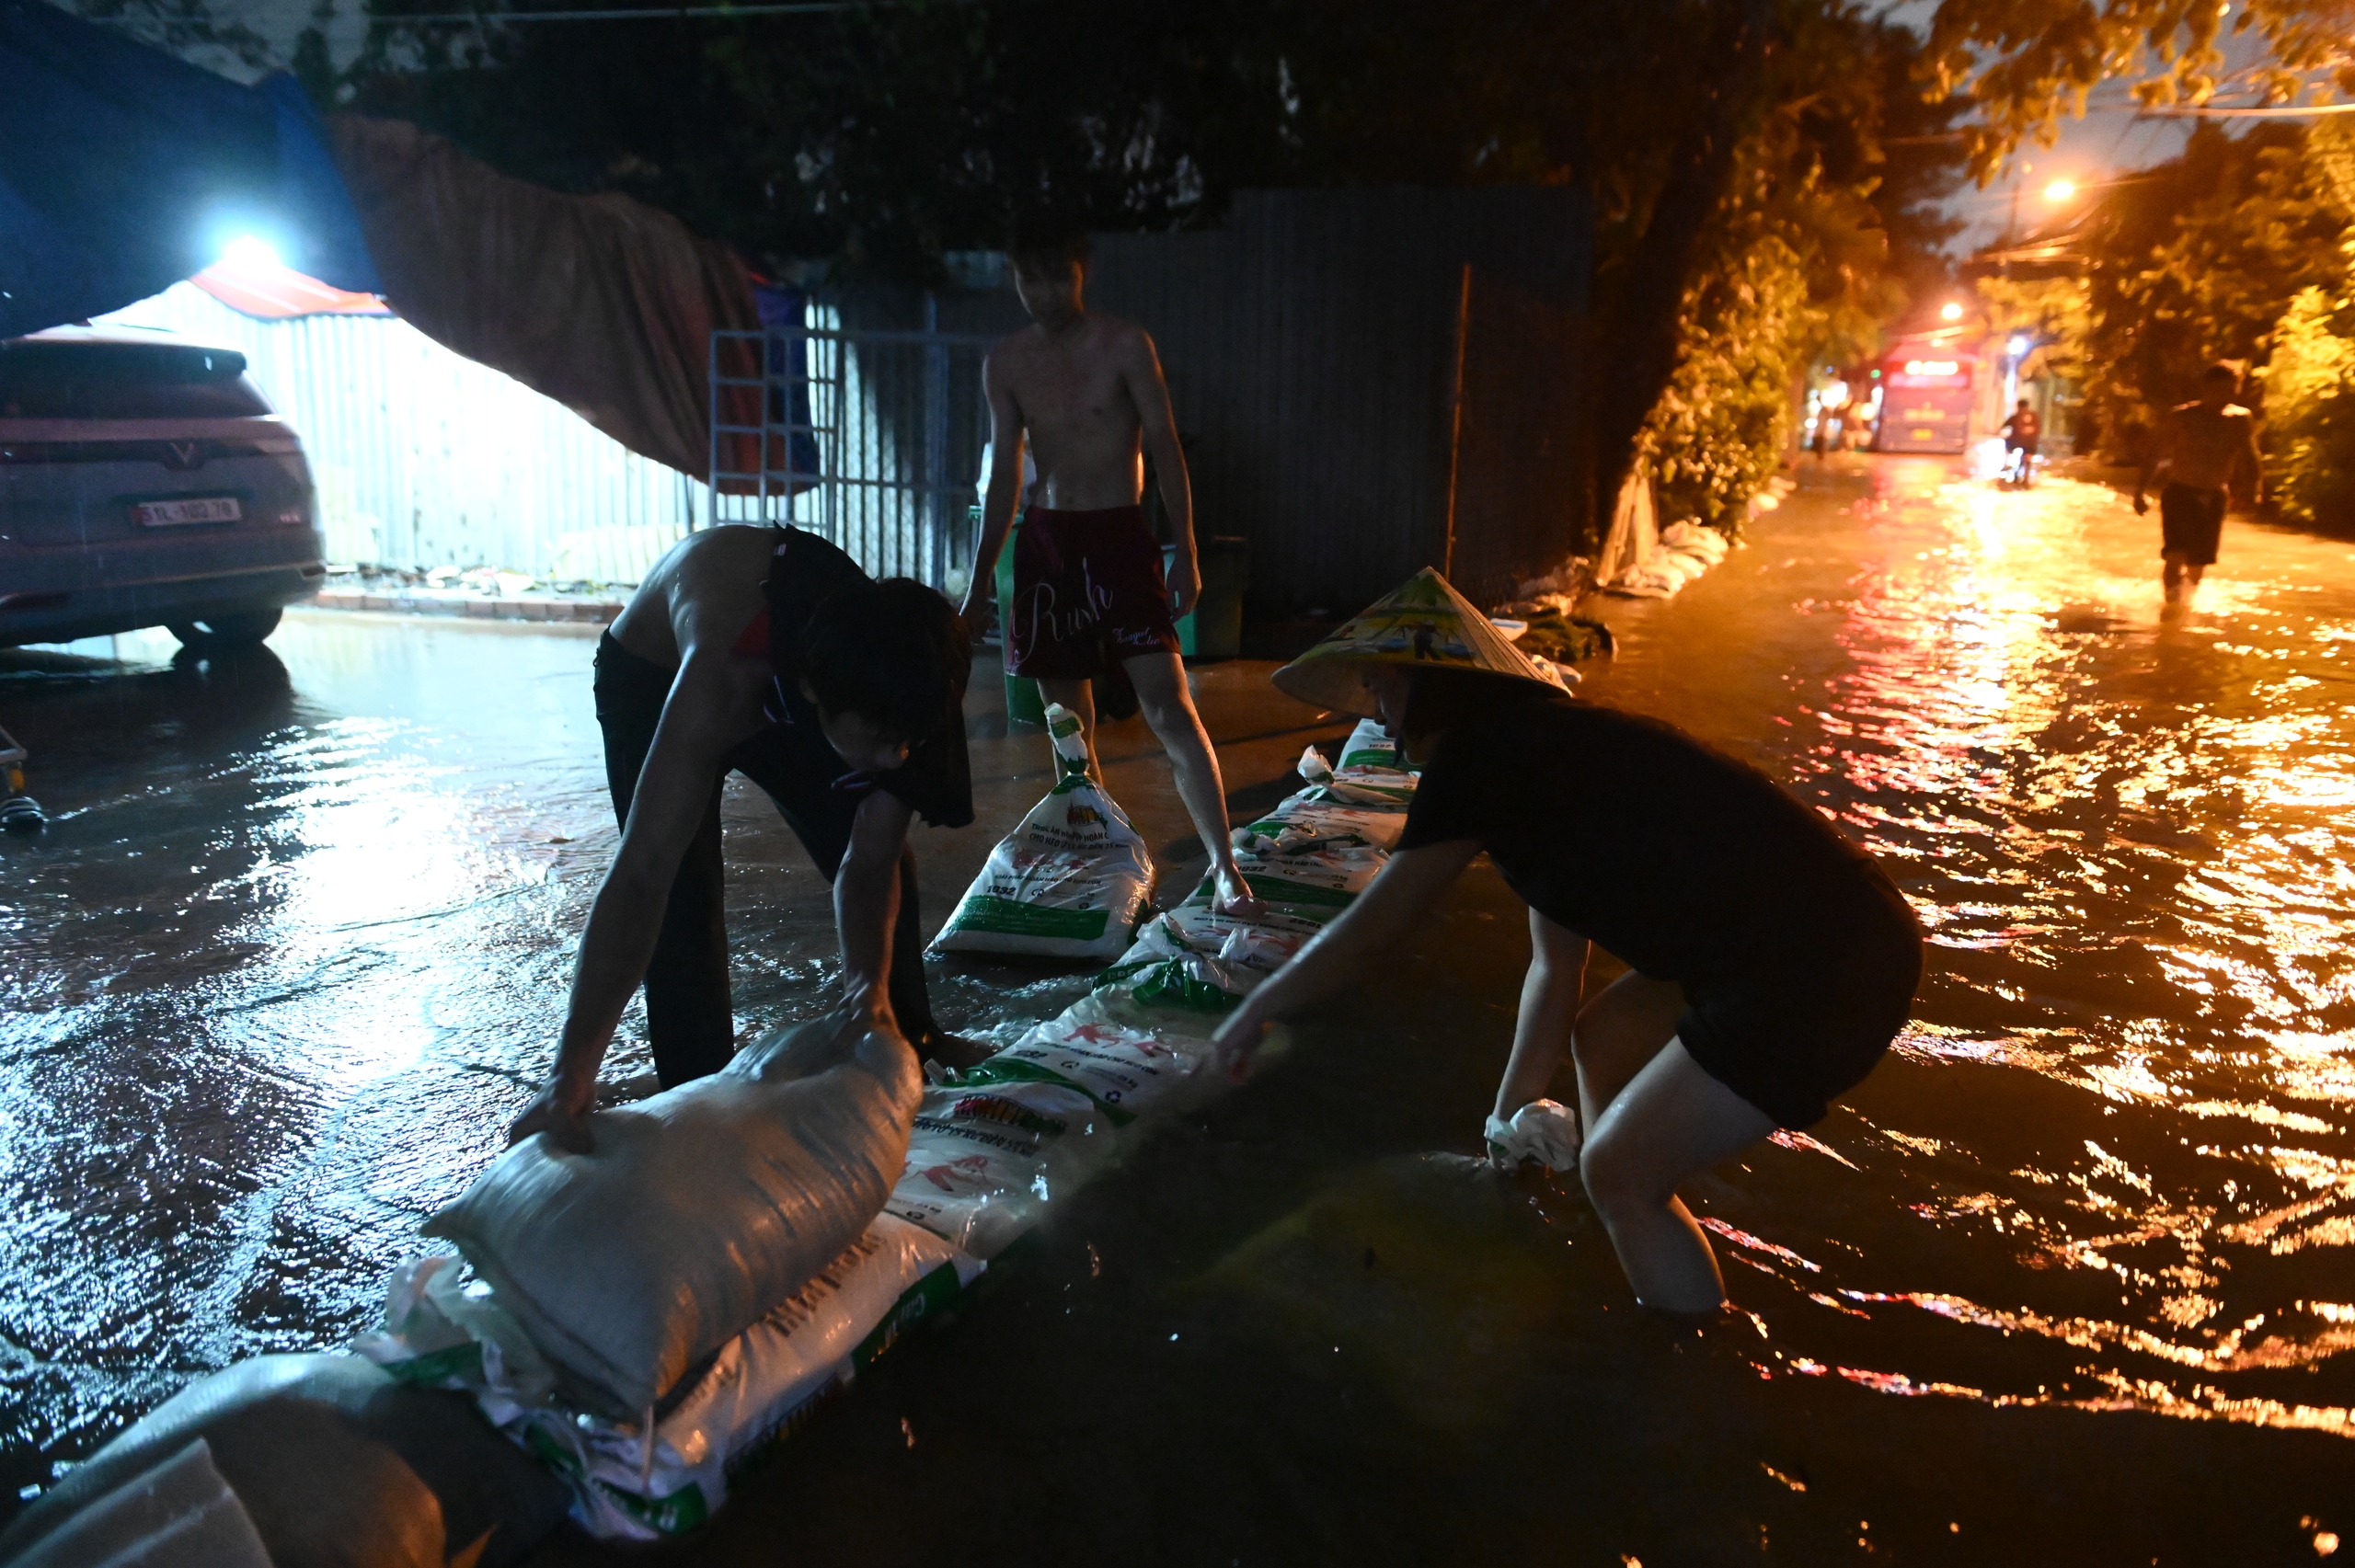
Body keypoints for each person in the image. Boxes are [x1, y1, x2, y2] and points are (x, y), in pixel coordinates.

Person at [1212, 570, 1924, 1316]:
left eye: (1382, 687)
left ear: (1430, 683)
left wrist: (1255, 1009)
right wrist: (1505, 1122)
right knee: (1604, 1037)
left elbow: (1374, 927)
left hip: (1821, 959)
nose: (1381, 717)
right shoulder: (1541, 755)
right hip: (1838, 929)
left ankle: (1685, 1342)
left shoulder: (1479, 759)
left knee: (1621, 1172)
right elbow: (1555, 969)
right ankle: (1627, 1222)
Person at [509, 524, 979, 1151]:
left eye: (906, 742)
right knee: (681, 896)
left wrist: (866, 990)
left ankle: (902, 1034)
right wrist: (568, 1077)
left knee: (888, 856)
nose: (895, 758)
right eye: (880, 740)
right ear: (814, 700)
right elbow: (641, 874)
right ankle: (694, 1097)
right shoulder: (722, 684)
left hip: (805, 664)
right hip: (655, 671)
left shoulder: (909, 678)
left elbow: (870, 859)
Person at [959, 212, 1260, 916]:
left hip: (1120, 537)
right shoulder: (1005, 361)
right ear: (1014, 280)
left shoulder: (1125, 345)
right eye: (1029, 279)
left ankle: (1224, 867)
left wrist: (1185, 550)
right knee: (1067, 726)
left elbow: (1165, 448)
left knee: (1169, 705)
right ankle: (1104, 859)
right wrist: (977, 590)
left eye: (1056, 277)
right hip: (1047, 543)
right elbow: (1005, 479)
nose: (1044, 293)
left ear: (1082, 272)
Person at [2133, 363, 2262, 606]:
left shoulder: (2240, 419)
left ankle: (2184, 606)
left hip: (2214, 496)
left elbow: (2250, 456)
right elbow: (2155, 455)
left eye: (2230, 390)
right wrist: (2140, 492)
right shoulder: (2182, 417)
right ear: (2206, 388)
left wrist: (2254, 490)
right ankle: (2171, 608)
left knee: (2198, 563)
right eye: (2219, 390)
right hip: (2180, 493)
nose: (2224, 396)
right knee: (2175, 555)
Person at [1999, 398, 2040, 486]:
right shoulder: (2034, 416)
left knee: (2009, 450)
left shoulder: (2016, 416)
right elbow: (2038, 429)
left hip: (2016, 442)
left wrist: (1999, 432)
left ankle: (2007, 468)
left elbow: (2005, 425)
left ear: (2018, 406)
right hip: (2031, 442)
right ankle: (2026, 478)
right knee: (2028, 457)